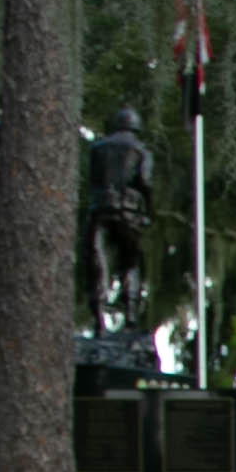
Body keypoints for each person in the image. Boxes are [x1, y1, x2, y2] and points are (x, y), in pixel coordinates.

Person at [82, 109, 153, 330]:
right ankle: (130, 315)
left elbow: (93, 179)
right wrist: (149, 210)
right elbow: (145, 181)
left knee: (97, 264)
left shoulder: (97, 148)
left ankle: (99, 319)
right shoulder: (141, 151)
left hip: (100, 209)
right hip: (128, 212)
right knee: (130, 262)